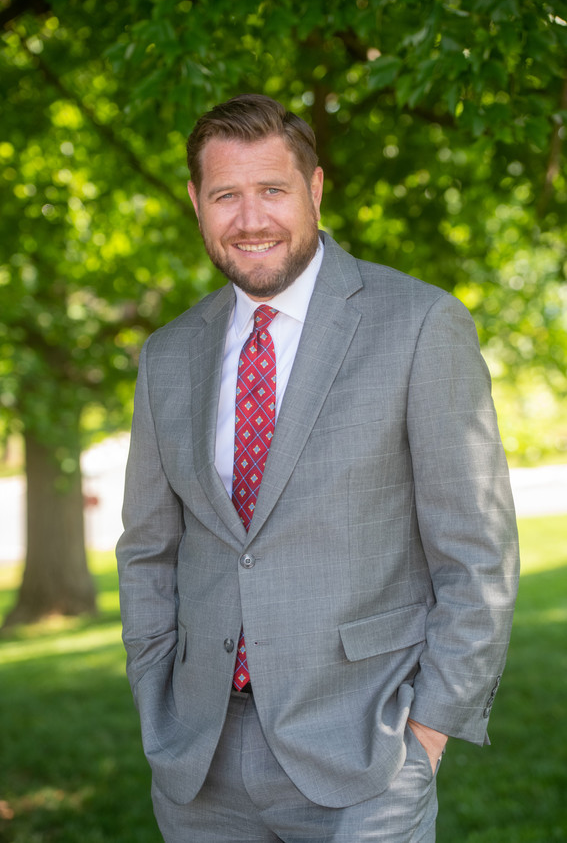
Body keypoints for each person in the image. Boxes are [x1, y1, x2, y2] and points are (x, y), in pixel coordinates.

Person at [117, 94, 519, 842]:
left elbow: (476, 553)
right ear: (195, 203)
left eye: (271, 190)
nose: (250, 219)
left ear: (315, 189)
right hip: (198, 766)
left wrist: (426, 738)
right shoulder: (168, 355)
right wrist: (155, 693)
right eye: (225, 196)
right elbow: (147, 550)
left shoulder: (418, 324)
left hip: (366, 755)